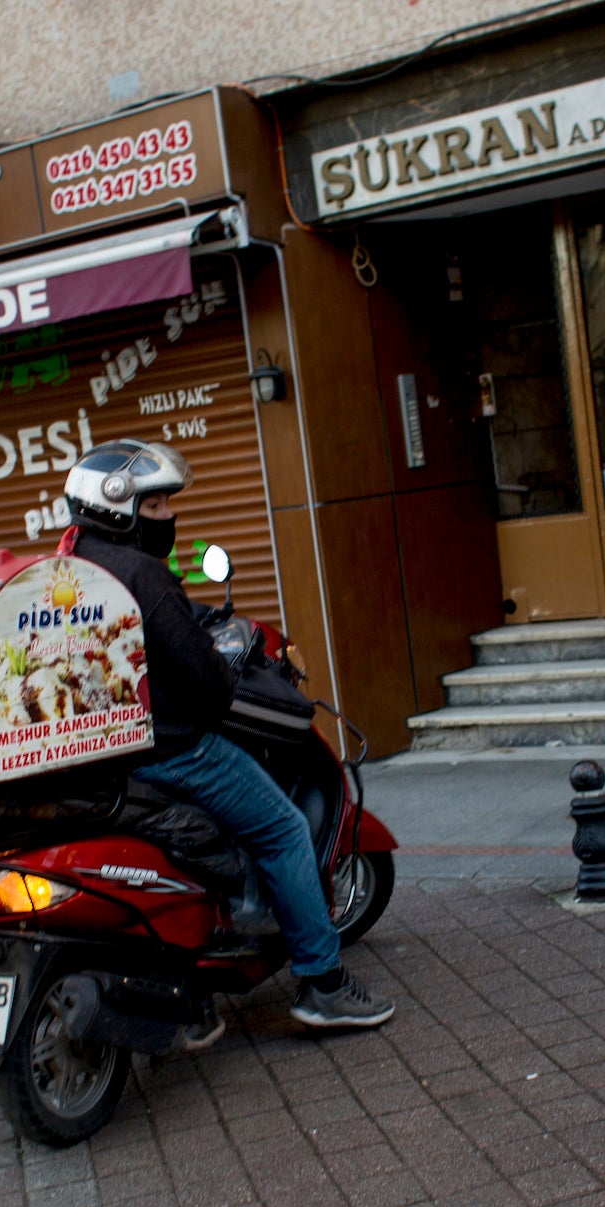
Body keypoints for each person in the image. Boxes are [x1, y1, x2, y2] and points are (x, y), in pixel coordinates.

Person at [63, 440, 394, 1031]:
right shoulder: (143, 574)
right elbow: (209, 686)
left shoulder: (72, 562)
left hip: (104, 751)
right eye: (156, 505)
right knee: (284, 829)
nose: (168, 515)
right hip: (170, 751)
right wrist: (222, 671)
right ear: (117, 510)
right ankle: (323, 984)